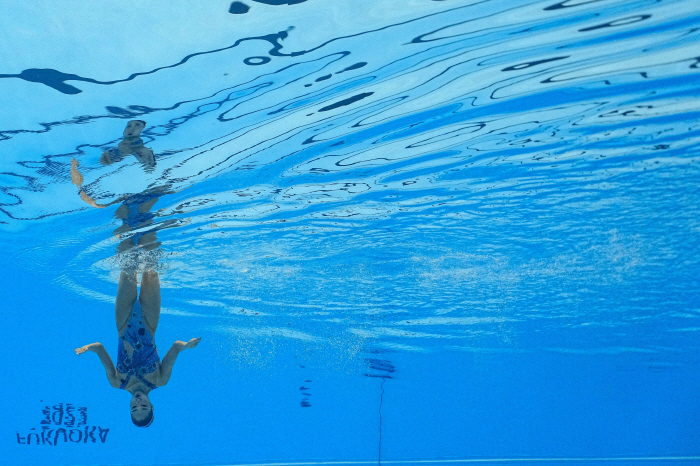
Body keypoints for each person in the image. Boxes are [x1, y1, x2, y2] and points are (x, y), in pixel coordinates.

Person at [75, 270, 201, 427]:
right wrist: (187, 346)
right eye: (144, 406)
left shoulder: (117, 382)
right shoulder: (160, 380)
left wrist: (86, 347)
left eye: (134, 407)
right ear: (152, 406)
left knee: (127, 267)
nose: (138, 402)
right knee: (151, 271)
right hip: (149, 321)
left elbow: (99, 348)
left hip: (123, 321)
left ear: (129, 408)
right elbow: (176, 347)